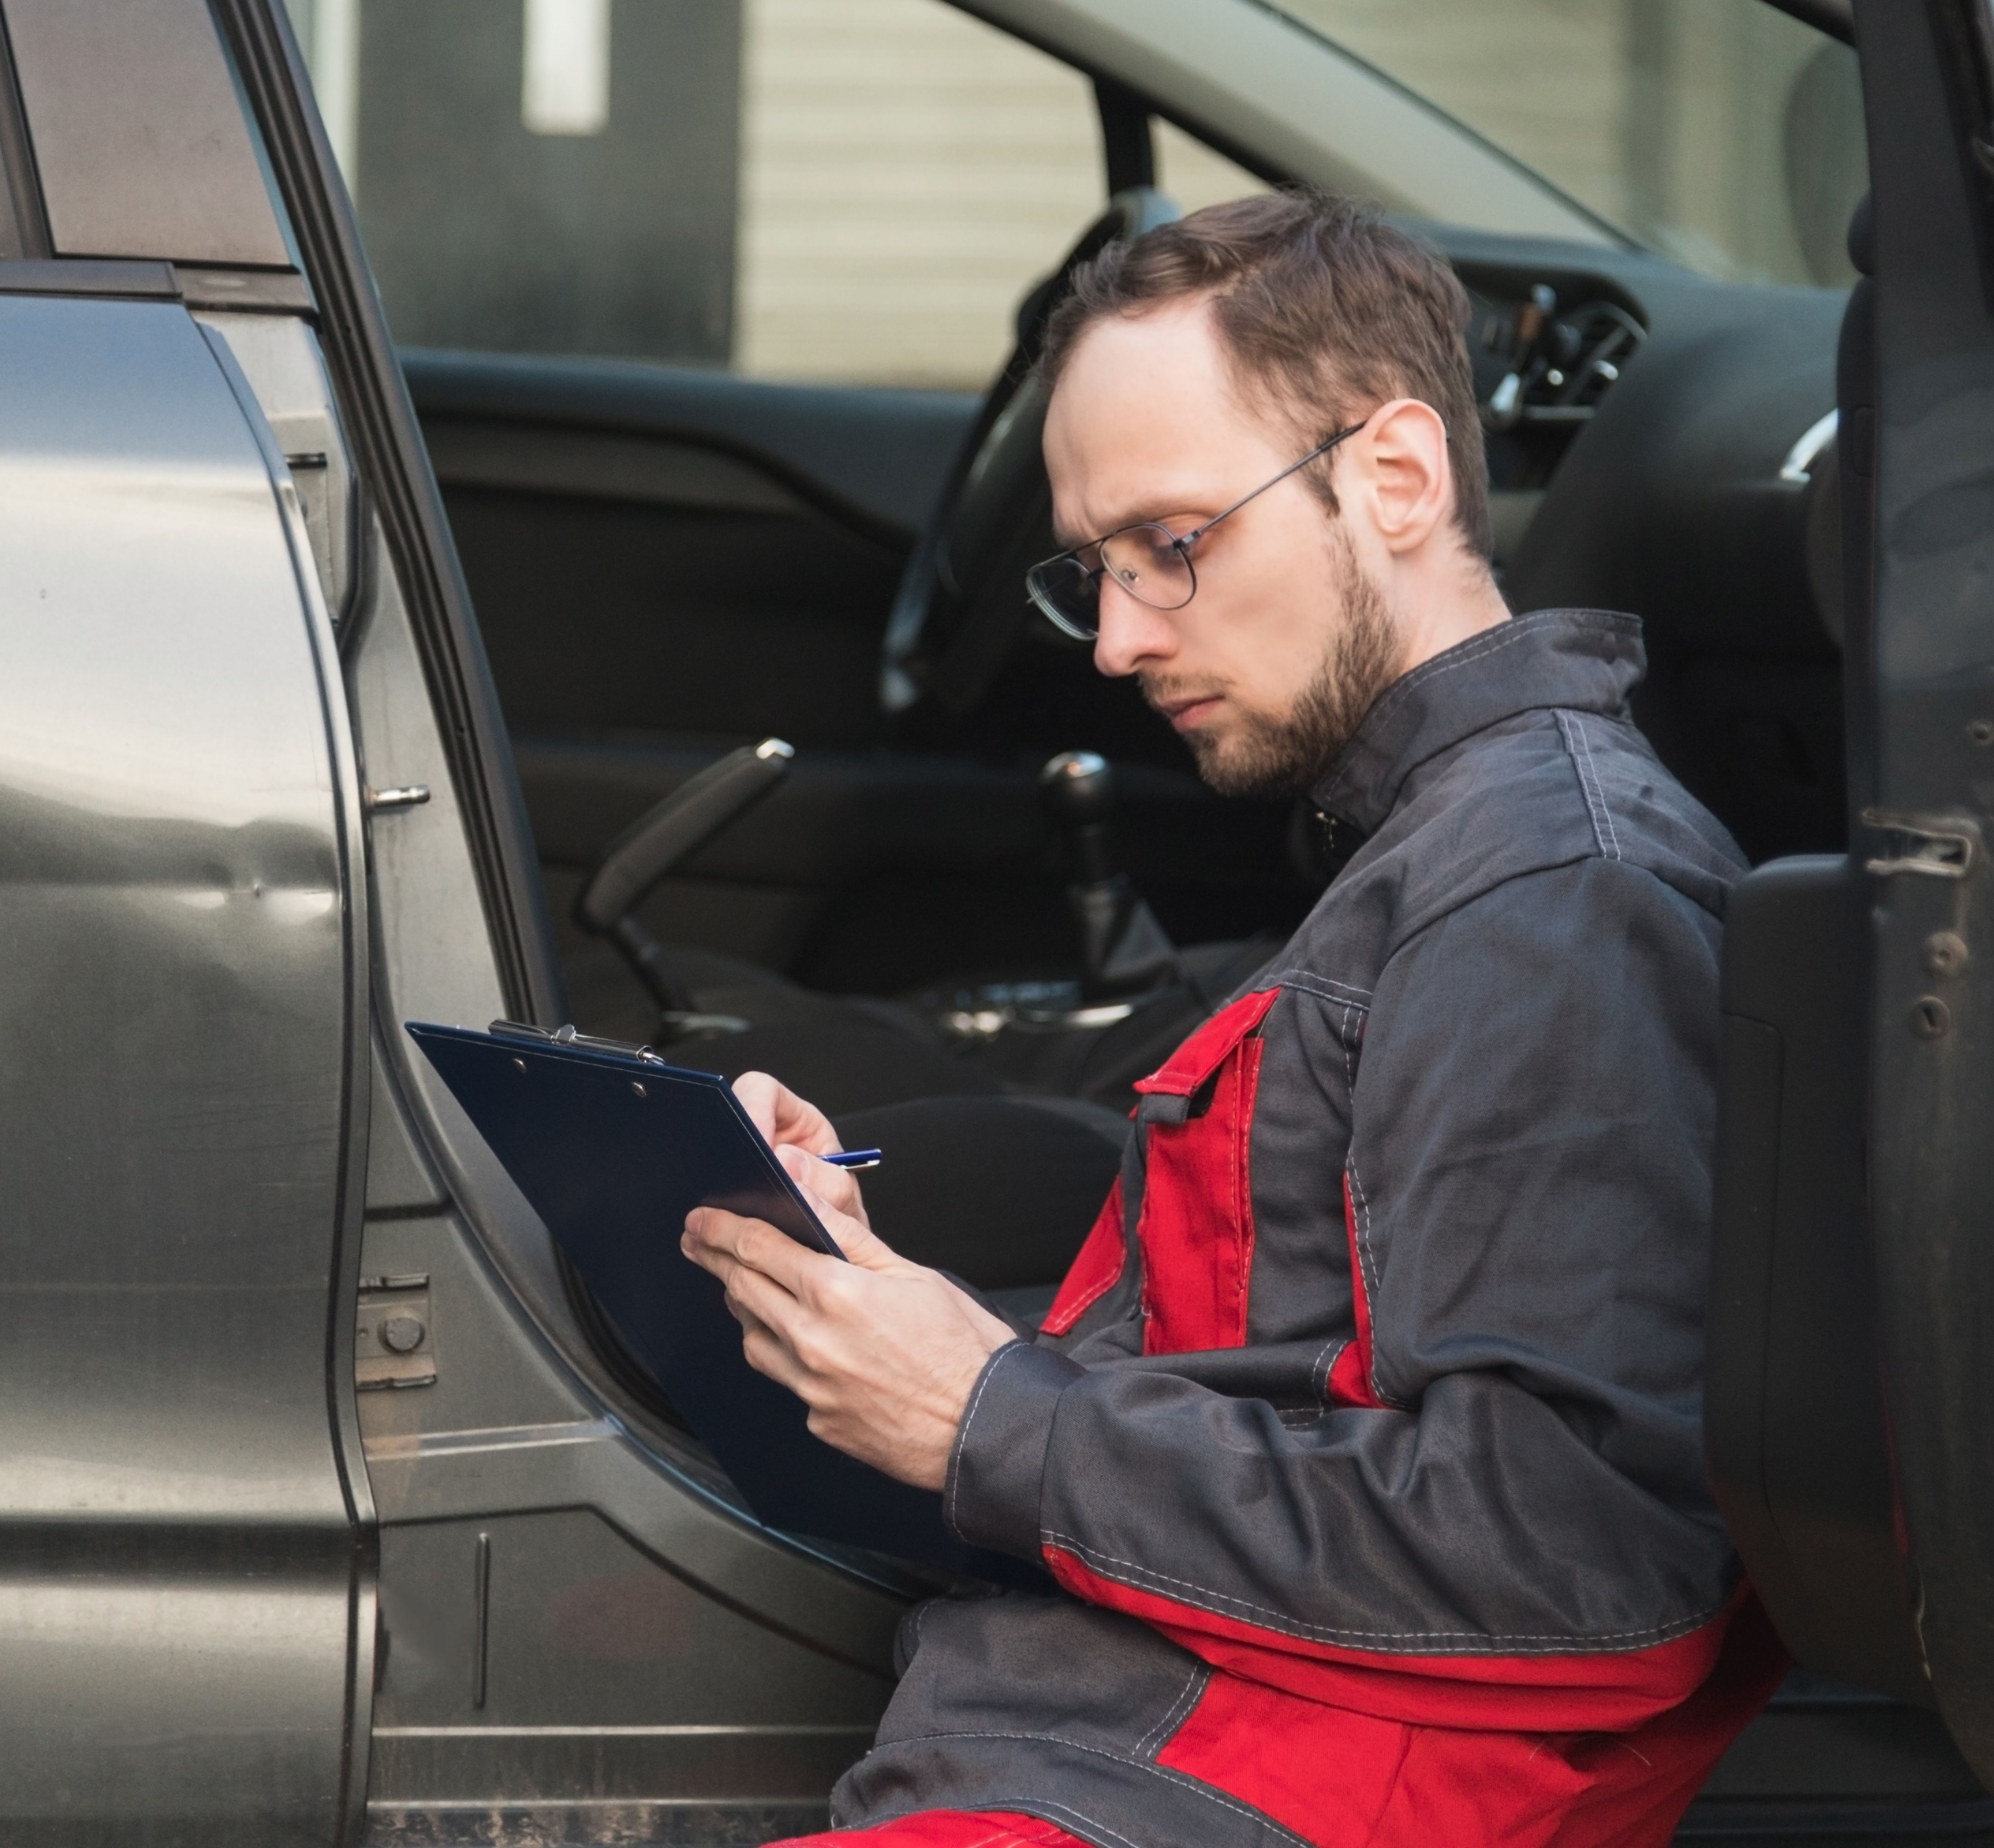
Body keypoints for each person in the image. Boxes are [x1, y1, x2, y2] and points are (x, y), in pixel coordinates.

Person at [681, 190, 1784, 1848]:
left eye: (1175, 545)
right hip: (1079, 1748)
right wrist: (880, 1306)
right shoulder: (1426, 856)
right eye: (1096, 575)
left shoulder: (1552, 901)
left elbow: (1586, 1562)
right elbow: (1263, 1362)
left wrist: (993, 1419)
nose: (1122, 637)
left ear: (1397, 479)